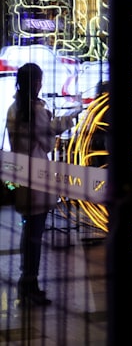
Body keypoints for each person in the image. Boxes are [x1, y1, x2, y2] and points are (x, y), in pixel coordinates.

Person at [6, 62, 81, 306]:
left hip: (22, 177)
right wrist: (70, 119)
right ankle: (30, 285)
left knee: (29, 233)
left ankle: (25, 284)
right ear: (35, 82)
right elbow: (48, 143)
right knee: (35, 236)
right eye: (39, 80)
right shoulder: (35, 110)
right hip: (37, 179)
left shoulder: (14, 109)